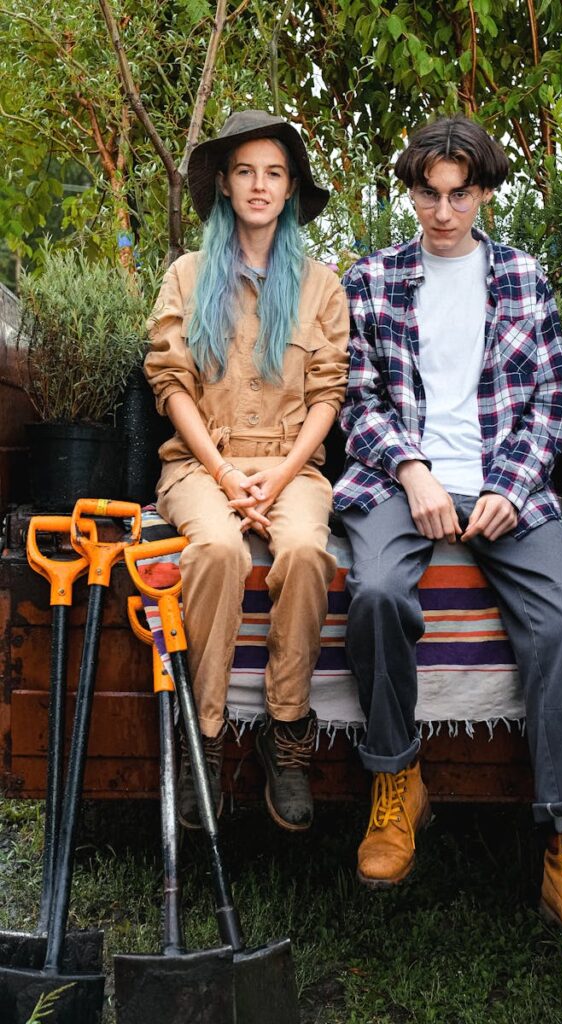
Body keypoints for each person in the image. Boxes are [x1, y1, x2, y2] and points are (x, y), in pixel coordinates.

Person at [333, 115, 562, 971]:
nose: (442, 210)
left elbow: (548, 401)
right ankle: (397, 778)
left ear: (483, 193)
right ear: (412, 191)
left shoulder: (524, 279)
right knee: (380, 591)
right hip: (400, 482)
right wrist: (415, 471)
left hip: (511, 486)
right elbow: (358, 401)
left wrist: (507, 485)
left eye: (459, 193)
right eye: (427, 192)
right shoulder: (373, 279)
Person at [145, 110, 349, 832]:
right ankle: (201, 737)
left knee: (300, 549)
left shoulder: (322, 285)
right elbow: (170, 385)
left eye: (273, 172)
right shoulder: (188, 275)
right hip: (202, 464)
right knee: (220, 550)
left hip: (291, 466)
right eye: (244, 171)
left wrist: (279, 473)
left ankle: (284, 733)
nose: (258, 185)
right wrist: (228, 478)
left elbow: (328, 394)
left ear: (290, 189)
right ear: (225, 186)